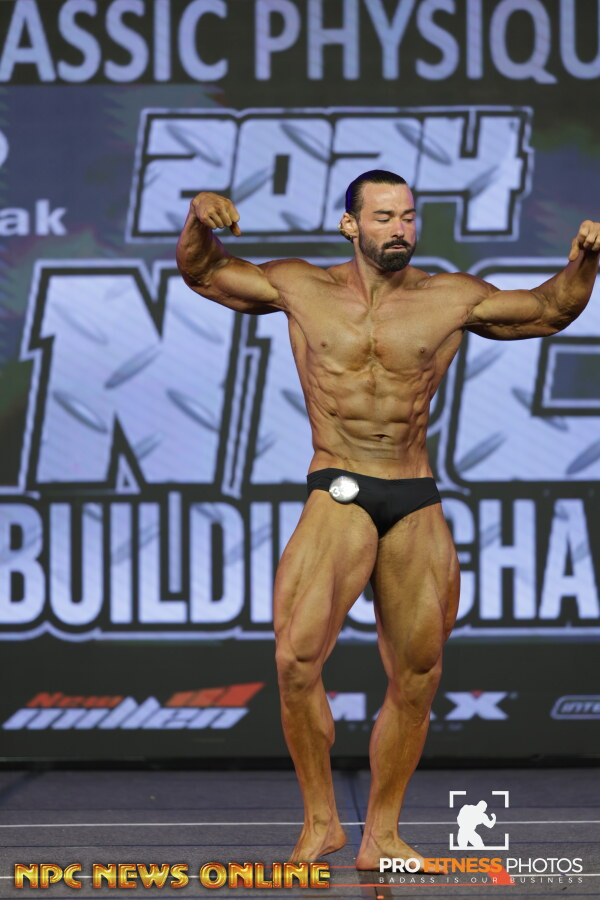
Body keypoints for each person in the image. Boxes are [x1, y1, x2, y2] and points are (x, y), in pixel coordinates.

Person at [176, 170, 599, 870]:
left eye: (407, 216)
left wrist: (583, 261)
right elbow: (203, 272)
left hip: (413, 495)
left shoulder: (450, 296)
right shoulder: (301, 287)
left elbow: (550, 310)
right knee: (295, 659)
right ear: (351, 225)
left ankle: (383, 835)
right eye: (383, 217)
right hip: (339, 484)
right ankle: (321, 823)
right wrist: (198, 218)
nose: (399, 228)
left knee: (419, 673)